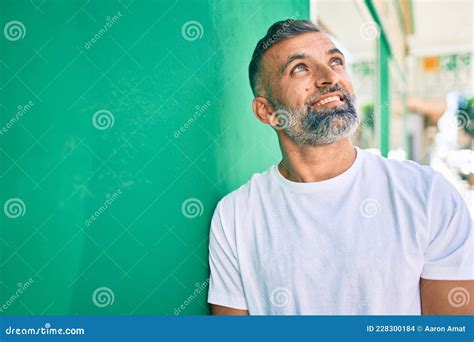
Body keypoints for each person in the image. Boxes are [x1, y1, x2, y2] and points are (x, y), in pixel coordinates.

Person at [207, 19, 474, 315]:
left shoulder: (428, 195)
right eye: (300, 68)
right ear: (267, 111)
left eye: (335, 61)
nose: (329, 77)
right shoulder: (235, 215)